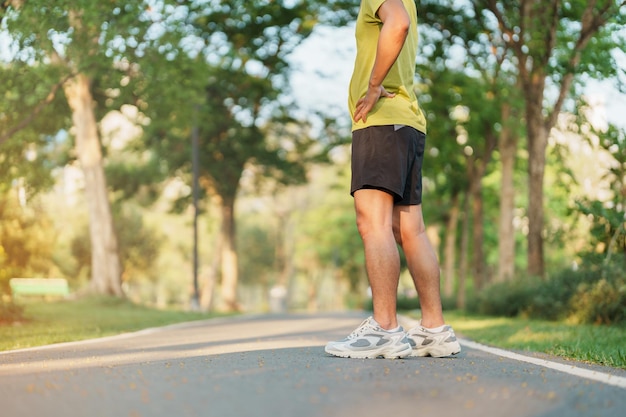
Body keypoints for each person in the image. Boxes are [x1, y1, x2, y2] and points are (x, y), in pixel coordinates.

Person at [324, 0, 461, 359]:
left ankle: (384, 329)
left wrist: (372, 85)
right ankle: (435, 330)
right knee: (410, 229)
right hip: (408, 123)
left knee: (374, 223)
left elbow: (396, 24)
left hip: (381, 122)